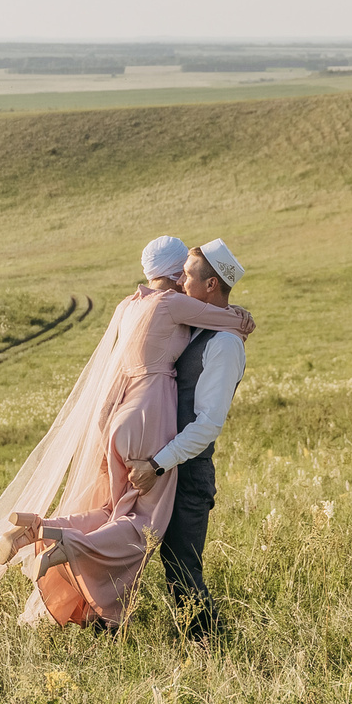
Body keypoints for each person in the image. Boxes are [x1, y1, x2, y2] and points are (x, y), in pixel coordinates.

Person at [0, 235, 252, 628]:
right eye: (181, 276)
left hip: (117, 415)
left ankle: (37, 531)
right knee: (147, 529)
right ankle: (73, 549)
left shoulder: (133, 304)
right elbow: (210, 413)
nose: (183, 283)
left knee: (112, 512)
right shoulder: (180, 309)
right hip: (150, 422)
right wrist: (242, 318)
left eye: (188, 277)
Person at [124, 239, 246, 636]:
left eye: (188, 275)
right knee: (143, 555)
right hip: (163, 464)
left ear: (211, 285)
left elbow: (209, 424)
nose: (179, 282)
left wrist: (157, 463)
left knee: (182, 567)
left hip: (186, 471)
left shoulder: (225, 344)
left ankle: (211, 650)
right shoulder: (194, 324)